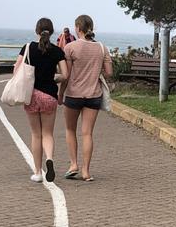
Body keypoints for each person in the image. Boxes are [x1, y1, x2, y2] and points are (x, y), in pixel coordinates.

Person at [59, 15, 113, 182]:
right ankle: (86, 171)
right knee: (87, 133)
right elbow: (109, 72)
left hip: (74, 94)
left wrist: (61, 94)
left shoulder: (70, 47)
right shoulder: (102, 48)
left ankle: (73, 164)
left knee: (70, 130)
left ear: (78, 28)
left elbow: (66, 75)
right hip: (94, 95)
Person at [14, 18, 68, 183]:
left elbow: (16, 70)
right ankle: (49, 159)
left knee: (36, 134)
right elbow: (65, 75)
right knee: (47, 134)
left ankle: (37, 172)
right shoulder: (58, 51)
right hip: (49, 96)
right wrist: (54, 79)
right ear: (51, 32)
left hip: (31, 96)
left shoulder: (28, 47)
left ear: (37, 31)